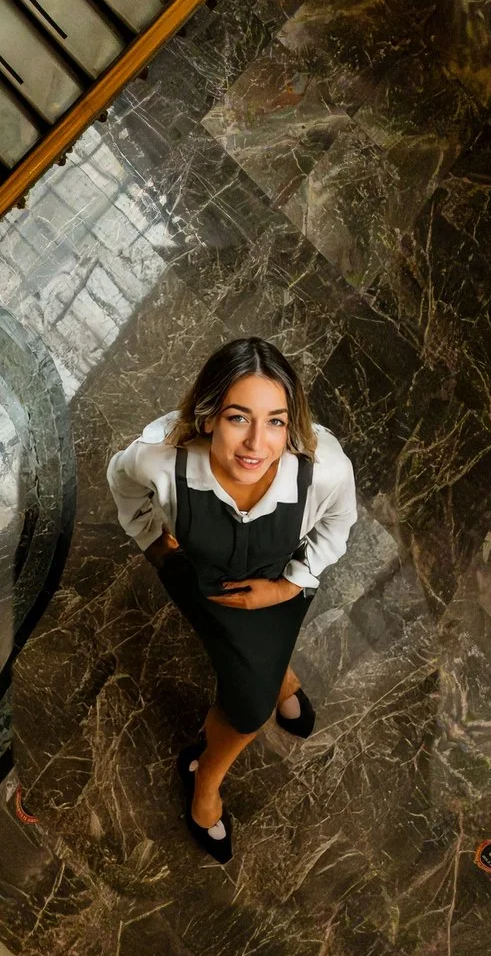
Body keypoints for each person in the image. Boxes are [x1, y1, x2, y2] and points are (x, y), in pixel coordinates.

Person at [106, 335, 358, 865]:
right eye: (239, 418)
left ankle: (275, 673)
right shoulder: (160, 461)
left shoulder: (323, 468)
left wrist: (290, 584)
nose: (256, 445)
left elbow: (339, 523)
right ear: (208, 416)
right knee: (248, 710)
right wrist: (152, 539)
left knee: (260, 668)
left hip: (279, 587)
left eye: (276, 421)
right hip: (201, 583)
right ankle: (205, 784)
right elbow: (120, 478)